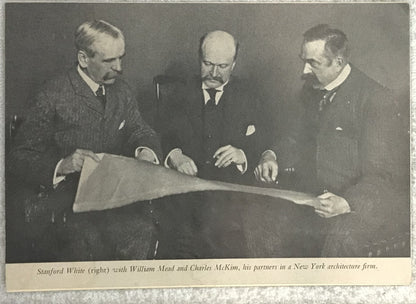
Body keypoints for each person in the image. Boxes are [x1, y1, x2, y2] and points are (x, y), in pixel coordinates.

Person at [7, 20, 162, 262]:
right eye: (109, 61)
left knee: (144, 231)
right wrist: (62, 165)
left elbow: (139, 130)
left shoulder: (122, 91)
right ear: (83, 59)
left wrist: (145, 151)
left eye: (121, 58)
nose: (119, 67)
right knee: (87, 241)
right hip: (66, 205)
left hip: (112, 199)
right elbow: (19, 157)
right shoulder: (52, 94)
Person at [255, 24, 409, 257]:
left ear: (338, 62)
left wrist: (346, 203)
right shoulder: (311, 89)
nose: (305, 70)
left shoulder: (376, 99)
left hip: (360, 206)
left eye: (313, 63)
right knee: (260, 225)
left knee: (339, 241)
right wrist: (272, 155)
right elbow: (296, 137)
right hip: (314, 199)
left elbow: (385, 175)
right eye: (303, 60)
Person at [157, 30, 266, 258]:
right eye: (207, 64)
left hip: (230, 195)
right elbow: (159, 133)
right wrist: (175, 155)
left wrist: (243, 154)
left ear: (234, 64)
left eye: (223, 66)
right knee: (179, 247)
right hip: (185, 191)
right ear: (199, 58)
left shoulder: (250, 96)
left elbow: (266, 139)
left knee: (230, 246)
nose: (214, 73)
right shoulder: (177, 94)